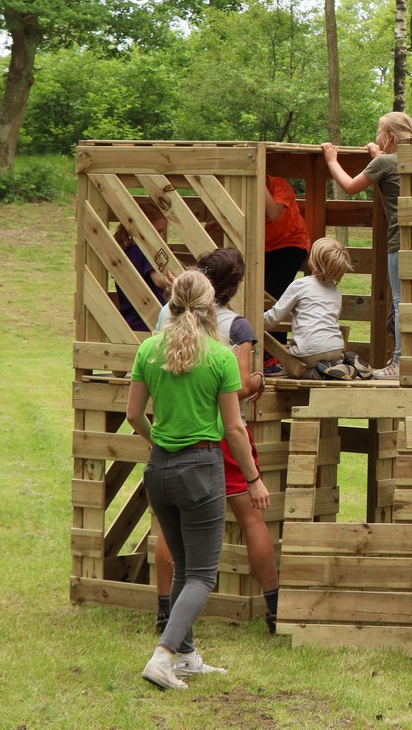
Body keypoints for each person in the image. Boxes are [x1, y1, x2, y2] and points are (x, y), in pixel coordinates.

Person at [126, 269, 270, 691]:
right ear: (213, 306)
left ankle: (185, 655)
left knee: (185, 565)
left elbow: (133, 415)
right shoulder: (221, 357)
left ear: (170, 303)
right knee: (204, 574)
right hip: (201, 471)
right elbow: (235, 428)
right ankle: (163, 654)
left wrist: (158, 445)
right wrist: (254, 478)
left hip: (159, 471)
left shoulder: (149, 350)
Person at [151, 248, 278, 637]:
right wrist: (258, 380)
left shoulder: (165, 317)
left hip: (172, 431)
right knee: (251, 517)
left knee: (169, 529)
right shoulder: (236, 327)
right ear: (233, 286)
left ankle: (163, 612)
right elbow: (237, 386)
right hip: (219, 433)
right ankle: (275, 610)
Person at [321, 111, 412, 379]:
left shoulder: (385, 162)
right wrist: (379, 154)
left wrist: (332, 160)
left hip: (399, 241)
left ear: (388, 137)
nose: (376, 137)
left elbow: (350, 186)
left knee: (400, 302)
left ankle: (399, 363)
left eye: (379, 132)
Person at [263, 237, 354, 379]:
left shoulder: (300, 285)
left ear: (313, 262)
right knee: (325, 357)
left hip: (310, 351)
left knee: (289, 367)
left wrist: (253, 323)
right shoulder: (336, 292)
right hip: (336, 348)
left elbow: (275, 316)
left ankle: (318, 373)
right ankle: (343, 366)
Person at [263, 174, 311, 375]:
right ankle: (268, 355)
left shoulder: (279, 185)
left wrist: (259, 186)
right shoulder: (243, 188)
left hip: (291, 244)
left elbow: (273, 213)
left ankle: (276, 356)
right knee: (261, 296)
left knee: (274, 295)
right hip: (264, 248)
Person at [114, 202, 171, 332]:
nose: (162, 236)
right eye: (159, 231)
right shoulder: (144, 251)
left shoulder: (127, 251)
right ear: (143, 228)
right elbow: (159, 280)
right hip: (150, 320)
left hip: (131, 319)